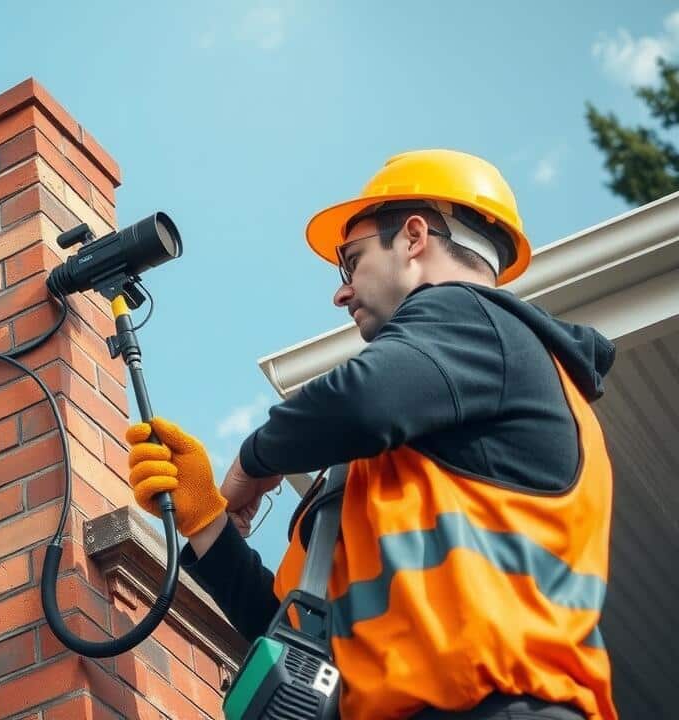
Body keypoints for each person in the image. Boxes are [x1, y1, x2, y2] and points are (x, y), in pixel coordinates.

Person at [125, 150, 617, 719]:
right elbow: (292, 633)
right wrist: (208, 521)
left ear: (413, 238)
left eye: (351, 262)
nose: (341, 293)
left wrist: (248, 468)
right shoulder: (381, 475)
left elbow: (359, 402)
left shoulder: (482, 323)